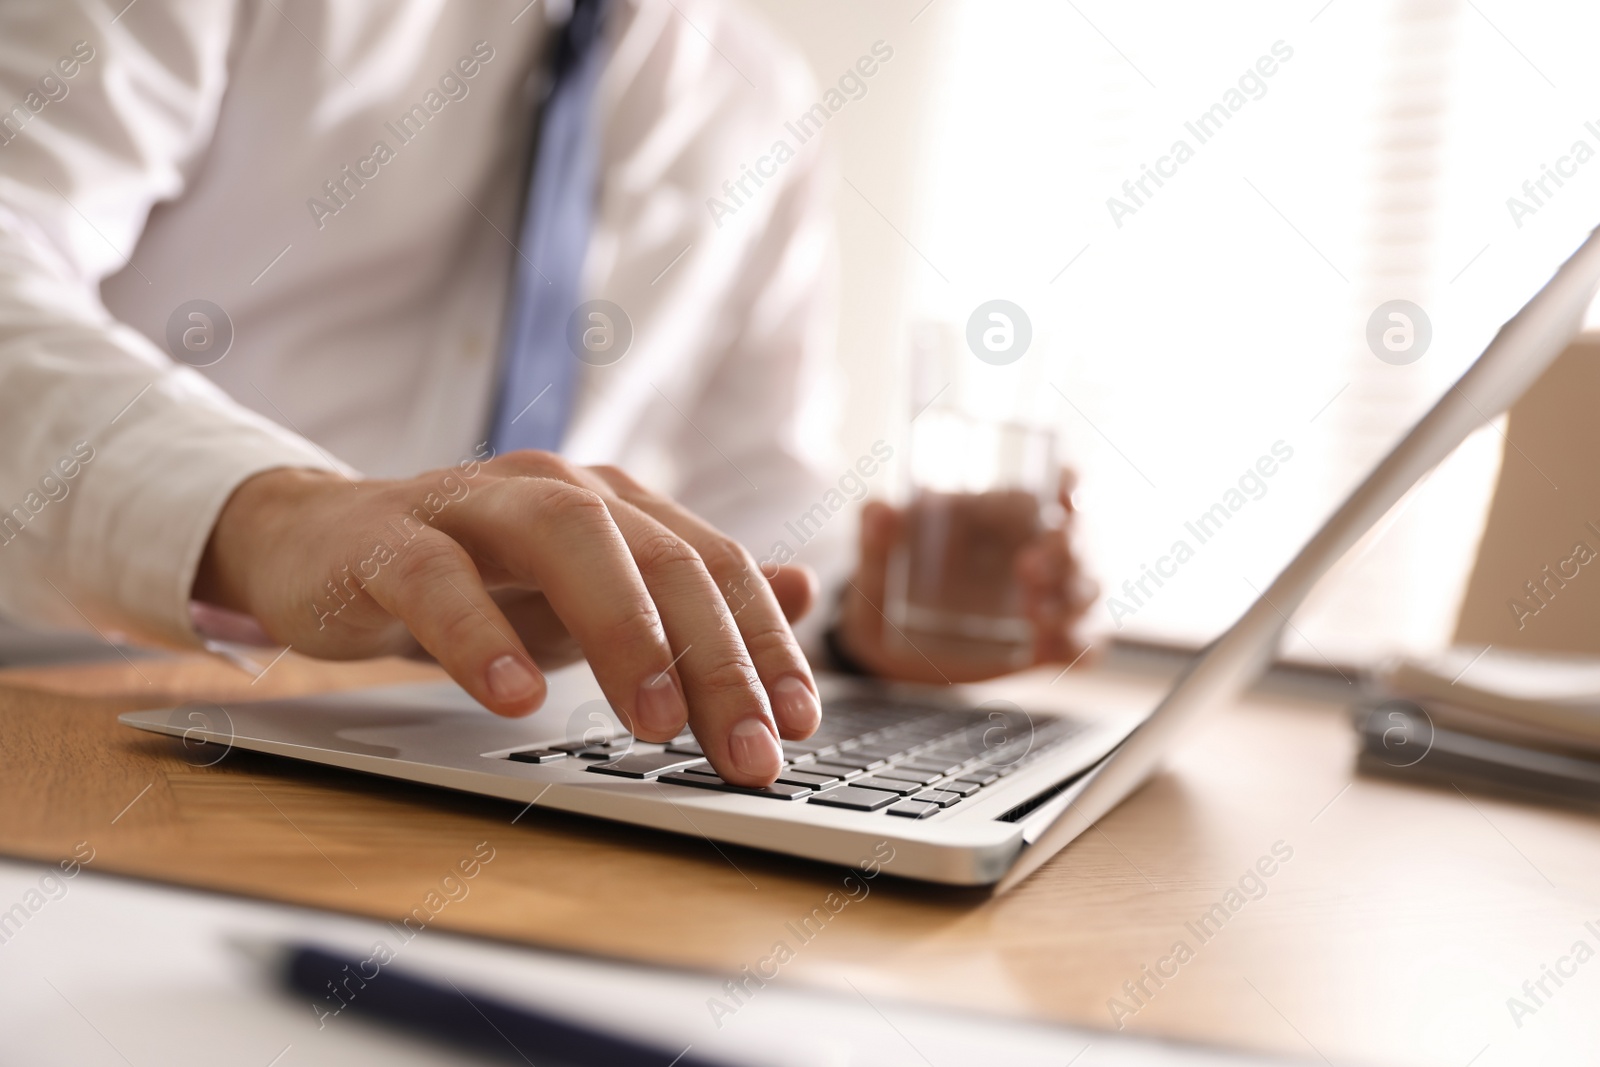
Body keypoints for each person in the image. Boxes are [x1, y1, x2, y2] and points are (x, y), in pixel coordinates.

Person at [0, 0, 1093, 787]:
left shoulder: (758, 104)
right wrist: (270, 514)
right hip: (76, 710)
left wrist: (862, 622)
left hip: (457, 755)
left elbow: (758, 496)